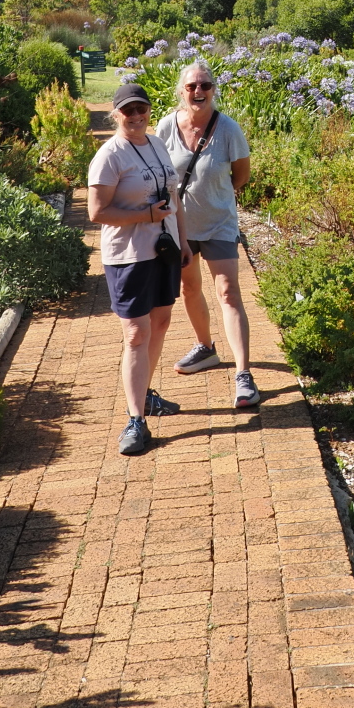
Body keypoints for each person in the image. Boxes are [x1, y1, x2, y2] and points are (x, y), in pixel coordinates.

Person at [87, 79, 190, 456]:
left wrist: (183, 241)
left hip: (163, 250)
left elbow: (174, 196)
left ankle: (145, 395)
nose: (135, 115)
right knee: (135, 334)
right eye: (127, 110)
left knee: (160, 323)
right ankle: (134, 421)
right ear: (116, 115)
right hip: (128, 256)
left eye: (141, 109)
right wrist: (145, 214)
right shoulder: (110, 155)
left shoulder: (158, 143)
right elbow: (97, 212)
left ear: (149, 111)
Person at [154, 60, 259, 410]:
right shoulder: (167, 126)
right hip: (180, 227)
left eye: (205, 85)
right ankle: (206, 348)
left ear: (214, 89)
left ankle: (243, 375)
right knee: (189, 287)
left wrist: (216, 197)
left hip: (219, 224)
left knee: (228, 291)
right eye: (192, 86)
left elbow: (241, 175)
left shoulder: (229, 129)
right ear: (181, 91)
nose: (198, 91)